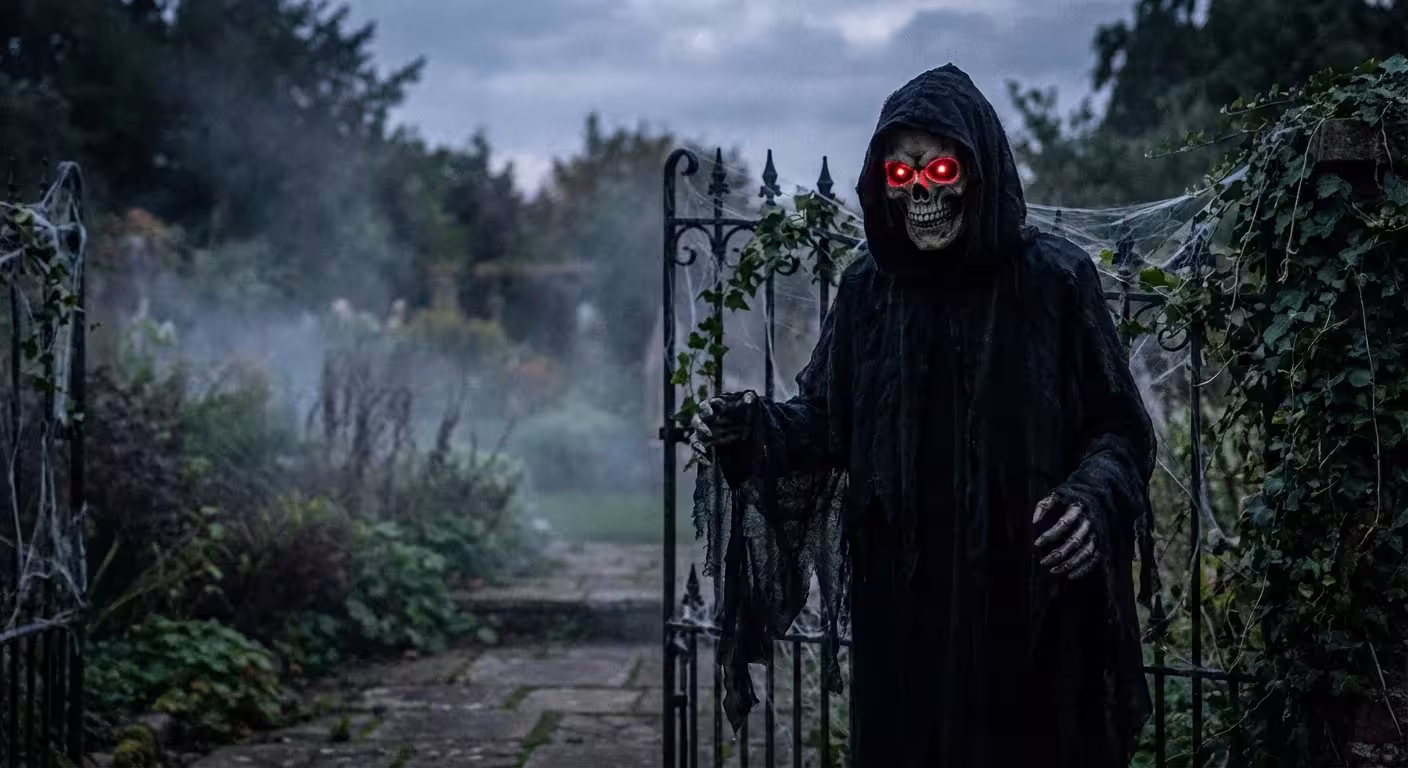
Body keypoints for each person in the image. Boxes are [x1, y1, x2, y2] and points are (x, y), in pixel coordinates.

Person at [689, 63, 1156, 767]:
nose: (922, 193)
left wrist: (1093, 498)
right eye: (901, 176)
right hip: (905, 607)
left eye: (937, 167)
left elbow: (1119, 425)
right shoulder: (871, 290)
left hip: (1027, 599)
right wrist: (749, 431)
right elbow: (824, 421)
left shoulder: (1055, 282)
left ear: (976, 170)